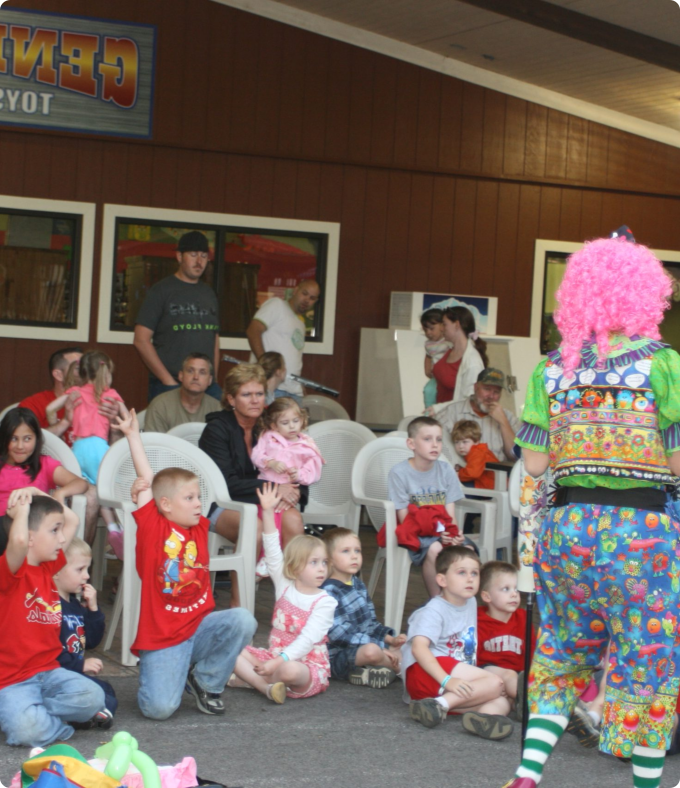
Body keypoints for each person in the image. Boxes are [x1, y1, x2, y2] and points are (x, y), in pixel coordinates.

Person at [504, 230, 680, 788]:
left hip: (568, 529)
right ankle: (646, 784)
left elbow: (534, 465)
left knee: (560, 648)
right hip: (642, 534)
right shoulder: (663, 366)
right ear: (647, 294)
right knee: (646, 655)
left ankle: (527, 775)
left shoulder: (550, 369)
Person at [113, 408, 257, 720]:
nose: (197, 503)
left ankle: (206, 681)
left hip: (199, 626)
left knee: (243, 620)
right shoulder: (154, 527)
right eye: (189, 498)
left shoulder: (199, 527)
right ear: (164, 505)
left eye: (198, 497)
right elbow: (149, 481)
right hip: (163, 637)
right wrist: (132, 436)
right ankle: (168, 668)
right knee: (159, 709)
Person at [0, 489, 108, 747]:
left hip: (50, 674)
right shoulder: (10, 573)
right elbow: (16, 543)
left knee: (94, 697)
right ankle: (40, 720)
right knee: (27, 731)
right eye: (54, 531)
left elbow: (73, 521)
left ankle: (27, 713)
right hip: (12, 681)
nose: (62, 538)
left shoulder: (48, 568)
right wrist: (23, 510)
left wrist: (40, 493)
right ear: (29, 537)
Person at [199, 364, 305, 606]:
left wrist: (296, 491)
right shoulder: (217, 429)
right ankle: (240, 605)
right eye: (247, 395)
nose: (255, 400)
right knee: (254, 528)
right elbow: (226, 483)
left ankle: (293, 603)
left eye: (259, 394)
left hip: (262, 501)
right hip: (220, 503)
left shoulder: (270, 426)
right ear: (231, 399)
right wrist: (275, 488)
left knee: (294, 520)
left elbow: (297, 460)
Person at [230, 482, 336, 702]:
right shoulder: (285, 584)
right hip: (273, 658)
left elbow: (306, 641)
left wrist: (276, 663)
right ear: (295, 566)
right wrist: (268, 511)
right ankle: (266, 686)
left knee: (290, 671)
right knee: (231, 647)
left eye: (324, 562)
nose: (321, 568)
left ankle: (255, 679)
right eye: (314, 562)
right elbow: (271, 548)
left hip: (307, 667)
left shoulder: (325, 602)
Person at [402, 545, 513, 739]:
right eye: (461, 573)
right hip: (429, 672)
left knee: (502, 700)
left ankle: (483, 718)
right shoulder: (434, 610)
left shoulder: (469, 602)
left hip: (450, 682)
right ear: (441, 580)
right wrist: (447, 680)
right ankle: (439, 706)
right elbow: (419, 649)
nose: (470, 578)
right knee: (495, 683)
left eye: (475, 573)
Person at [134, 231, 222, 403]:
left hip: (207, 386)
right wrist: (168, 381)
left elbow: (215, 340)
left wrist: (214, 378)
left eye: (204, 256)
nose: (199, 262)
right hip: (170, 383)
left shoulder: (209, 293)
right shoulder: (161, 291)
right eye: (193, 255)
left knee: (216, 428)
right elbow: (140, 339)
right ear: (179, 256)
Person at [387, 416, 467, 598]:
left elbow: (450, 513)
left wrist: (453, 535)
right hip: (416, 534)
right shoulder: (399, 473)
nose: (435, 445)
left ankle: (458, 604)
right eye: (427, 439)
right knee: (435, 549)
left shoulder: (446, 470)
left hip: (443, 532)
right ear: (411, 443)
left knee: (466, 552)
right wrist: (440, 536)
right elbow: (405, 519)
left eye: (438, 440)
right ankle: (437, 601)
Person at [322, 527, 406, 688]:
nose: (354, 556)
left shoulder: (357, 585)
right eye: (345, 551)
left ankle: (372, 670)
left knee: (409, 643)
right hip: (336, 657)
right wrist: (381, 648)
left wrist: (391, 640)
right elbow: (340, 634)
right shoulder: (328, 592)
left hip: (363, 645)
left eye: (357, 551)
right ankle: (397, 669)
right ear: (329, 559)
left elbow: (370, 623)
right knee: (371, 652)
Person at [0, 408, 88, 555]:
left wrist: (61, 492)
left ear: (37, 439)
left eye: (27, 438)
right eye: (14, 438)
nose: (20, 446)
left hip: (33, 527)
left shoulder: (44, 465)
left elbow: (81, 483)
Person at [54, 537, 117, 717]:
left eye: (87, 569)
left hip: (73, 672)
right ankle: (81, 716)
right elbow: (53, 651)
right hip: (57, 675)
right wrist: (80, 665)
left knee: (107, 691)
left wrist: (94, 609)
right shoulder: (50, 607)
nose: (87, 576)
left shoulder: (75, 605)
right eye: (80, 569)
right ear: (56, 571)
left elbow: (91, 641)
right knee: (101, 693)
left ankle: (89, 715)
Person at [246, 280, 320, 403]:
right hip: (272, 387)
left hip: (294, 391)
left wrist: (298, 383)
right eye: (304, 293)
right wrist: (266, 366)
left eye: (312, 298)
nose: (307, 300)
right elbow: (253, 331)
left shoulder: (301, 324)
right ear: (295, 291)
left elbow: (293, 356)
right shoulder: (277, 305)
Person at [477, 561, 533, 720]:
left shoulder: (523, 617)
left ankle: (484, 719)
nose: (514, 594)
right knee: (508, 675)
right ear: (487, 596)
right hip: (486, 671)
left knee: (503, 704)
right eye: (506, 589)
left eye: (516, 588)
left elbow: (531, 651)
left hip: (517, 678)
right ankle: (535, 704)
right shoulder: (478, 619)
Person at [432, 368, 521, 463]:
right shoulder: (452, 412)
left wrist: (503, 421)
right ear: (475, 387)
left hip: (499, 475)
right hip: (462, 474)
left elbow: (515, 456)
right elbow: (429, 442)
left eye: (496, 392)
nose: (491, 396)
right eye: (487, 389)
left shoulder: (508, 416)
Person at [143, 352, 221, 433]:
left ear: (210, 380)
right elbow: (154, 443)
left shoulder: (218, 409)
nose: (196, 377)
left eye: (202, 372)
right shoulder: (160, 405)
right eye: (190, 371)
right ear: (181, 376)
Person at [430, 306, 487, 405]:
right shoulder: (448, 350)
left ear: (456, 325)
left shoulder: (473, 362)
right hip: (441, 415)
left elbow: (469, 401)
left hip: (455, 417)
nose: (442, 329)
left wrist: (438, 408)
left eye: (444, 324)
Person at [452, 419, 499, 490]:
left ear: (476, 441)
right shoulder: (478, 450)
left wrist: (457, 474)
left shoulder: (477, 452)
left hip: (488, 486)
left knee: (454, 487)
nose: (460, 446)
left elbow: (472, 473)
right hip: (486, 483)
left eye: (465, 442)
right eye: (457, 442)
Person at [421, 308, 452, 409]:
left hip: (449, 375)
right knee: (428, 390)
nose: (428, 333)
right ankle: (428, 411)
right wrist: (427, 370)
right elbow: (429, 356)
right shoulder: (428, 344)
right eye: (425, 330)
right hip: (437, 376)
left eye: (431, 328)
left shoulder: (448, 341)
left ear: (442, 326)